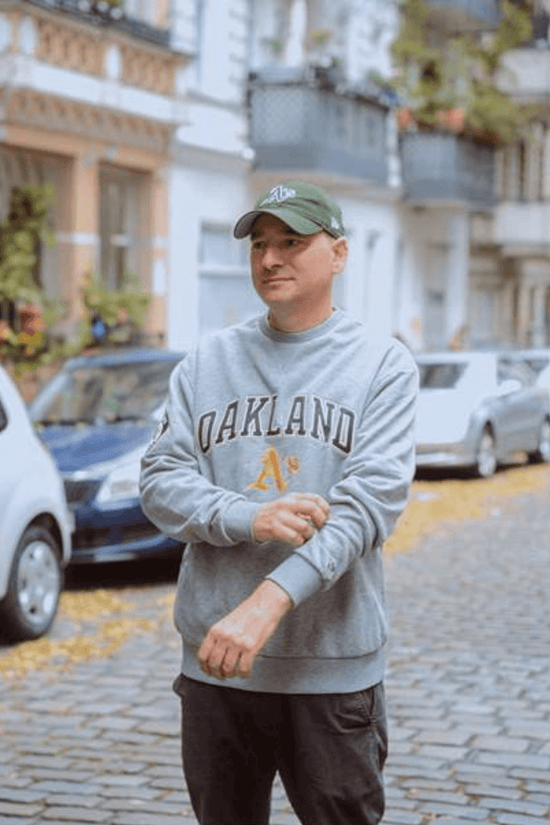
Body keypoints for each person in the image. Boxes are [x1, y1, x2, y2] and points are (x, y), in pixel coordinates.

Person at [139, 180, 418, 825]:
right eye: (260, 245)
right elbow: (159, 479)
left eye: (293, 242)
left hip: (332, 672)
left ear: (339, 255)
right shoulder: (206, 362)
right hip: (218, 670)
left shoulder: (382, 367)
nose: (270, 259)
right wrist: (248, 515)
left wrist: (267, 602)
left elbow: (365, 510)